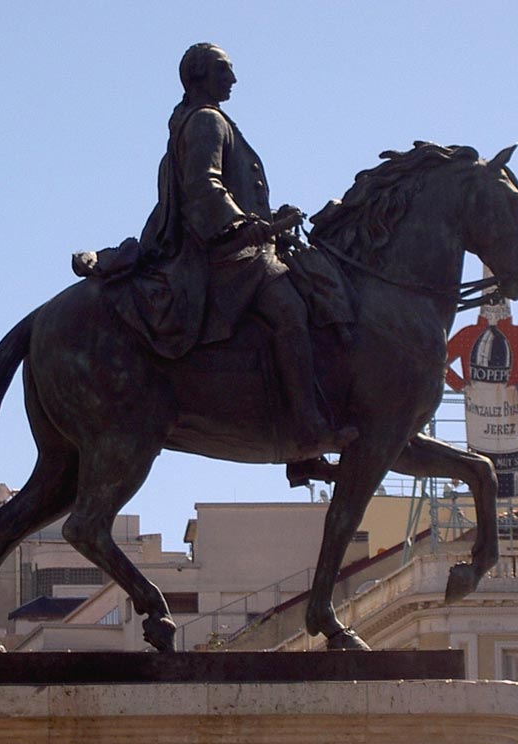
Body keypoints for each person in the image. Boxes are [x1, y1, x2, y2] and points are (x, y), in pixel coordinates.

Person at [138, 42, 356, 457]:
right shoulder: (206, 121)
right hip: (225, 255)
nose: (233, 79)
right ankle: (308, 425)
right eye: (224, 70)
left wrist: (271, 218)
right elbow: (204, 188)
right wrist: (254, 228)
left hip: (240, 245)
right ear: (199, 76)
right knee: (291, 311)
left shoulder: (204, 120)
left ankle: (301, 452)